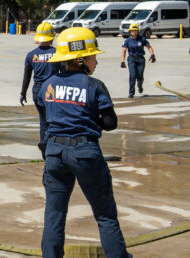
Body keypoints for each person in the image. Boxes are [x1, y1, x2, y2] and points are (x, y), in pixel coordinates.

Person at [37, 27, 127, 258]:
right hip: (84, 152)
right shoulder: (94, 85)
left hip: (55, 153)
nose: (96, 61)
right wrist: (90, 119)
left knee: (54, 215)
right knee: (105, 215)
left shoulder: (48, 84)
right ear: (80, 59)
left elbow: (45, 111)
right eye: (93, 56)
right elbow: (110, 122)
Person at [20, 22, 60, 159]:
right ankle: (50, 145)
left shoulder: (31, 55)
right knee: (54, 120)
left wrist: (22, 93)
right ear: (51, 37)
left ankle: (44, 145)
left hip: (37, 91)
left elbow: (27, 76)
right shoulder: (57, 53)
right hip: (52, 90)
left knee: (43, 120)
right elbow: (65, 73)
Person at [120, 23, 156, 98]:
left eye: (136, 30)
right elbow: (124, 51)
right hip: (131, 59)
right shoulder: (127, 41)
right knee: (133, 75)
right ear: (130, 31)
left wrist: (152, 54)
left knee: (140, 76)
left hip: (140, 59)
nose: (134, 32)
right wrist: (122, 61)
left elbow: (149, 47)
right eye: (132, 30)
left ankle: (140, 86)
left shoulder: (142, 39)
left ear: (138, 31)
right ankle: (131, 92)